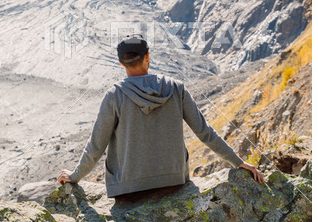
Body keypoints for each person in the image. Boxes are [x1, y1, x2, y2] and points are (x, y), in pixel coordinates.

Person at [57, 34, 264, 196]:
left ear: (121, 63)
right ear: (147, 57)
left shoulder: (114, 95)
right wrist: (238, 162)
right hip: (174, 181)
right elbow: (205, 133)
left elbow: (96, 145)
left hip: (129, 188)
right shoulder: (176, 88)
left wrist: (75, 176)